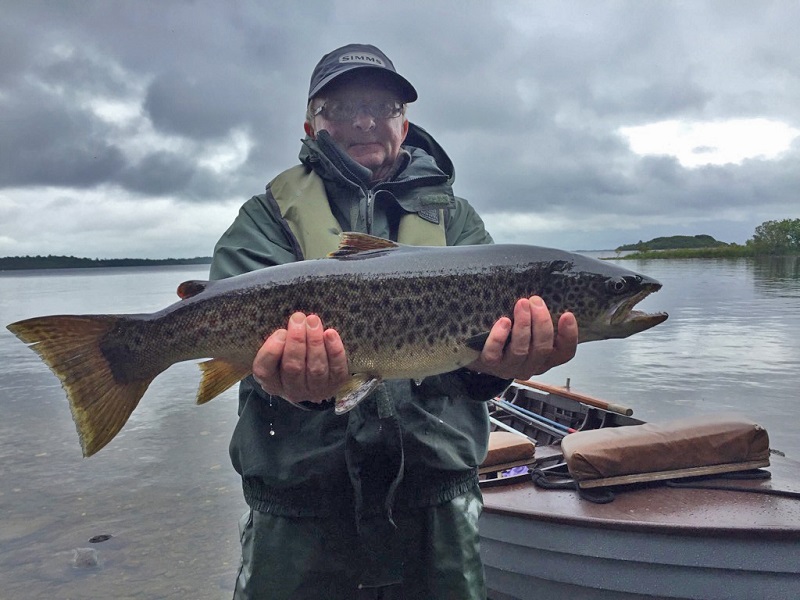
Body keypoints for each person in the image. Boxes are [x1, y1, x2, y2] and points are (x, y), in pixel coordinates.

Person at [210, 43, 579, 600]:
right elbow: (231, 326)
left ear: (403, 125)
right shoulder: (266, 217)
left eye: (382, 107)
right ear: (310, 125)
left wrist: (496, 369)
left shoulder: (455, 220)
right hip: (302, 512)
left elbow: (473, 367)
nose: (364, 120)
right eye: (341, 107)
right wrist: (302, 389)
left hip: (436, 506)